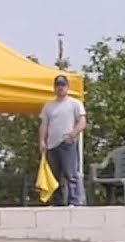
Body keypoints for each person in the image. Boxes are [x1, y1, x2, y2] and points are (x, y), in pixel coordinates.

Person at [38, 74, 86, 207]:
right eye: (58, 85)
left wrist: (73, 133)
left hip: (67, 143)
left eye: (62, 85)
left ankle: (75, 200)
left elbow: (82, 121)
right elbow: (44, 124)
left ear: (68, 87)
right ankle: (57, 201)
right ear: (54, 88)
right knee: (54, 175)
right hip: (52, 144)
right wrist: (42, 141)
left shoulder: (75, 104)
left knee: (71, 173)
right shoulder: (49, 106)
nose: (60, 88)